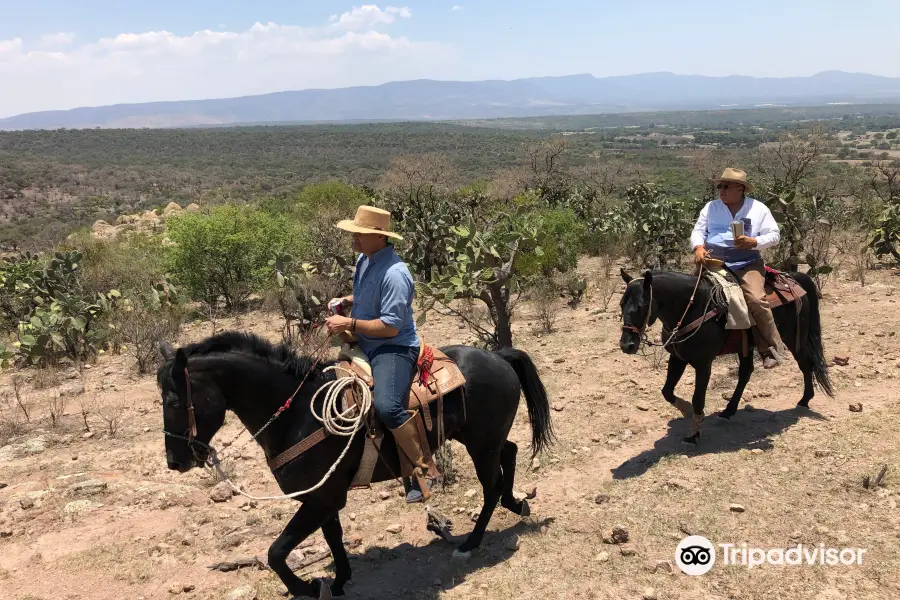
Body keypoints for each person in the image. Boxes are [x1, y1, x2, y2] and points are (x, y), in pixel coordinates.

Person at [325, 205, 434, 502]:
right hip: (366, 339)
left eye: (359, 234)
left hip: (393, 347)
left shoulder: (396, 274)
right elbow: (366, 296)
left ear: (378, 237)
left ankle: (421, 471)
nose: (354, 239)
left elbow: (390, 327)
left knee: (387, 406)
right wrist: (347, 300)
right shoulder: (365, 259)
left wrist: (348, 322)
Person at [690, 168, 787, 369]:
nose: (721, 190)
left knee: (755, 299)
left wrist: (754, 241)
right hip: (713, 262)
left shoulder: (758, 209)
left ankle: (771, 348)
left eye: (726, 186)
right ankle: (687, 341)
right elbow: (698, 230)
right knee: (690, 296)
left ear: (740, 189)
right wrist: (698, 247)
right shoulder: (711, 208)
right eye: (720, 186)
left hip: (746, 262)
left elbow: (774, 235)